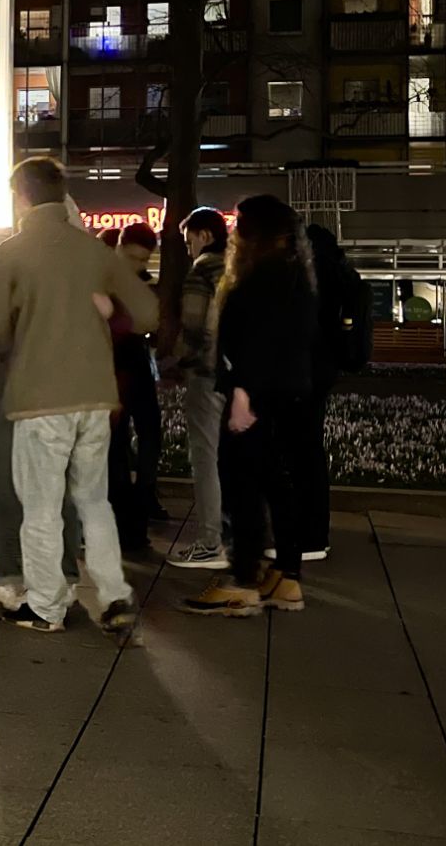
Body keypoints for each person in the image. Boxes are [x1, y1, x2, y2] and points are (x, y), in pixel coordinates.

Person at [0, 157, 159, 633]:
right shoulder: (95, 251)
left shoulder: (13, 253)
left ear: (21, 196)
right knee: (94, 500)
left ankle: (47, 606)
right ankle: (114, 593)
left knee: (40, 507)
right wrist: (106, 311)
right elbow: (148, 313)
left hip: (40, 398)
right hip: (95, 397)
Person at [184, 195, 318, 618]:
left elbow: (257, 339)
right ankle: (286, 576)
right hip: (288, 391)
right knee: (278, 482)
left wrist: (243, 393)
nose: (235, 230)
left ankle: (242, 580)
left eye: (241, 223)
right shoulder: (297, 274)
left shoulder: (260, 277)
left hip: (255, 395)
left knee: (243, 483)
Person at [166, 207, 232, 570]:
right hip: (237, 378)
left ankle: (210, 542)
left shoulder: (203, 268)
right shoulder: (237, 267)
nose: (188, 246)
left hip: (206, 374)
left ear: (204, 235)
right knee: (230, 457)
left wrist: (173, 361)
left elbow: (193, 326)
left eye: (190, 238)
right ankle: (237, 531)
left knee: (205, 458)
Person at [297, 223, 360, 563]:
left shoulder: (315, 275)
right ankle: (315, 534)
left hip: (309, 369)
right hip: (325, 369)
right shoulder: (341, 273)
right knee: (311, 450)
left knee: (304, 452)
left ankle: (311, 537)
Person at [104, 222, 165, 554]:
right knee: (115, 450)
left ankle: (135, 516)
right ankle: (128, 524)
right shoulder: (103, 279)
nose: (138, 266)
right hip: (115, 368)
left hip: (131, 366)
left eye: (143, 261)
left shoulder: (130, 282)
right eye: (133, 258)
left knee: (140, 441)